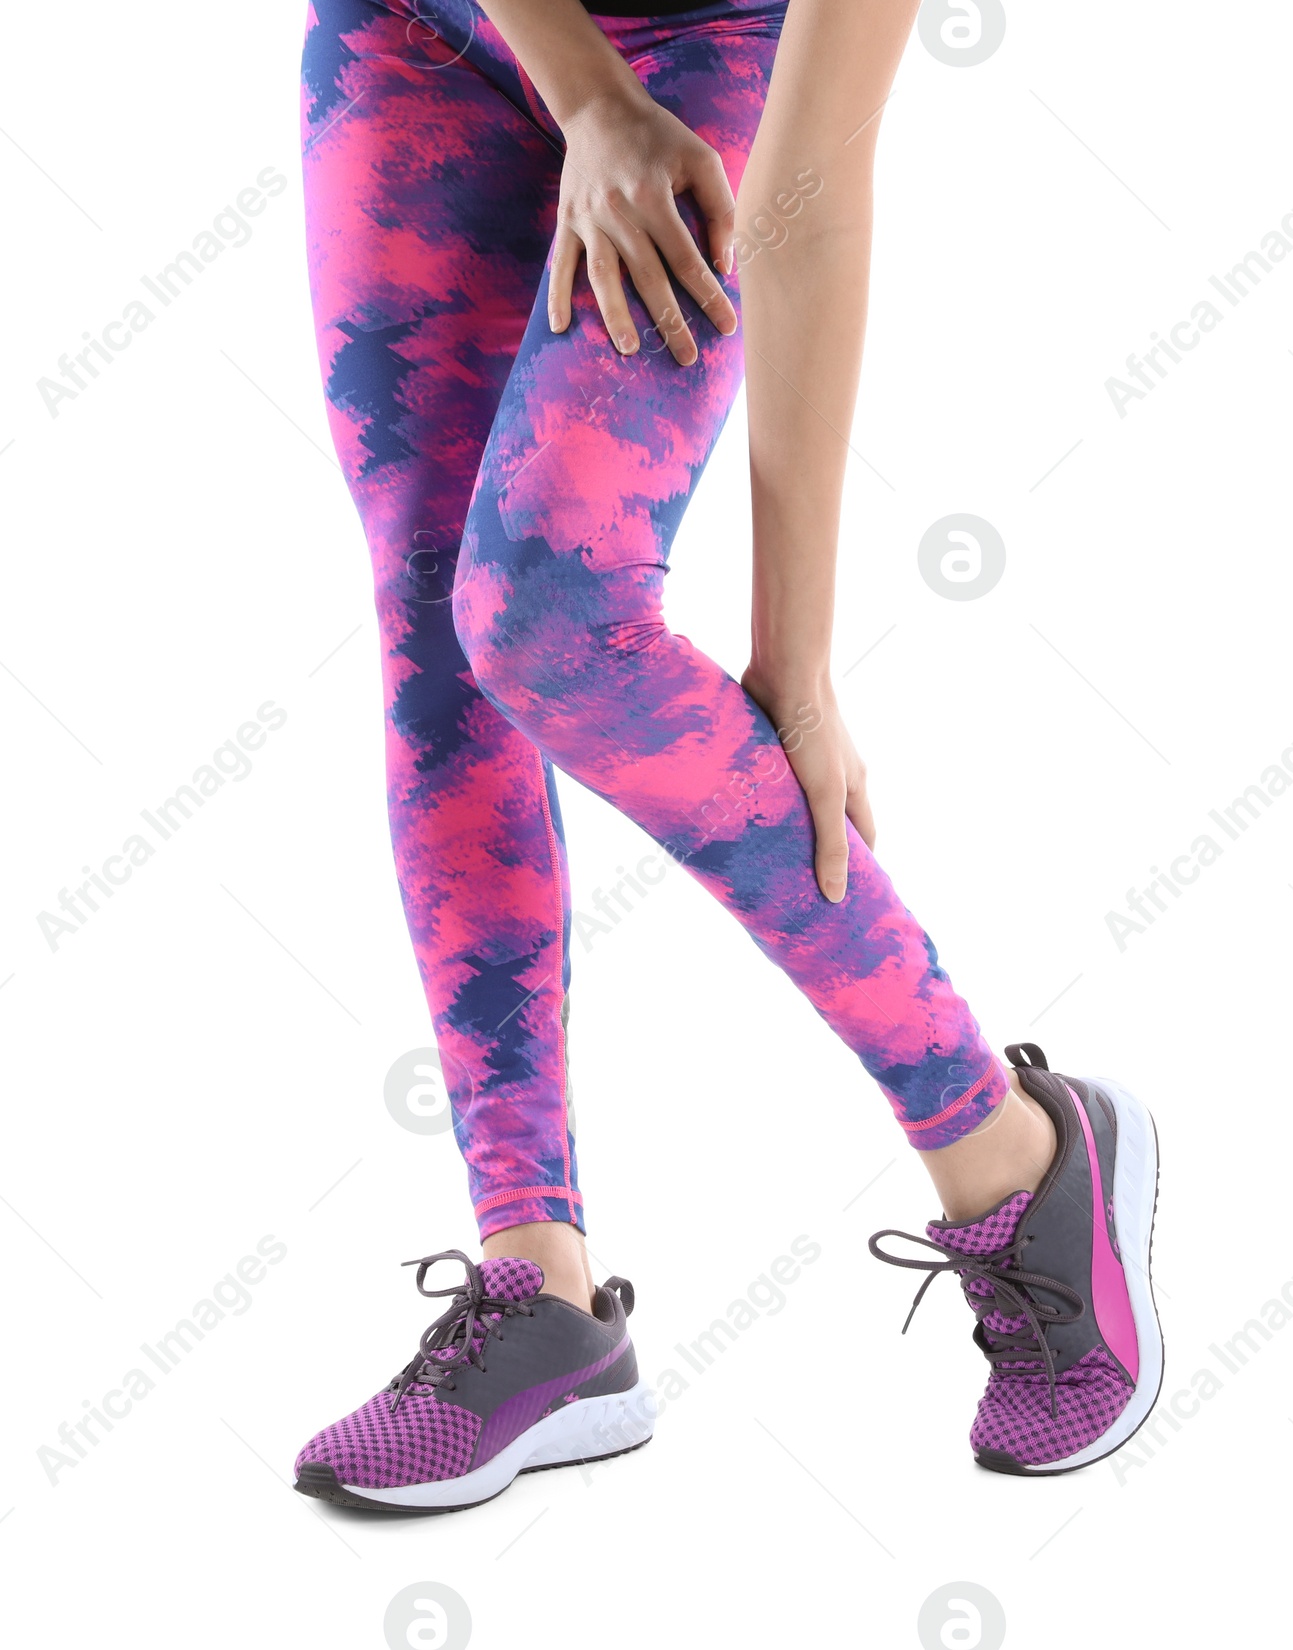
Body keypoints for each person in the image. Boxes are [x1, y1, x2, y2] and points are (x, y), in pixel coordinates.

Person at [292, 0, 1162, 1509]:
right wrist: (581, 99)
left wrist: (797, 664)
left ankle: (1012, 1151)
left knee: (545, 607)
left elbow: (808, 199)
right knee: (440, 644)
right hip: (415, 31)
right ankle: (539, 1286)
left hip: (704, 33)